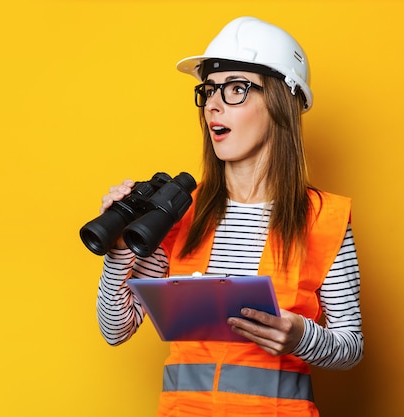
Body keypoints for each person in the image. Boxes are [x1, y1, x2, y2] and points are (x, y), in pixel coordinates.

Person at [95, 16, 363, 417]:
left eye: (237, 88)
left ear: (280, 103)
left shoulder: (324, 218)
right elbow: (116, 330)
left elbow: (350, 348)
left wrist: (301, 337)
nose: (214, 105)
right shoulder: (179, 211)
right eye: (209, 90)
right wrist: (118, 251)